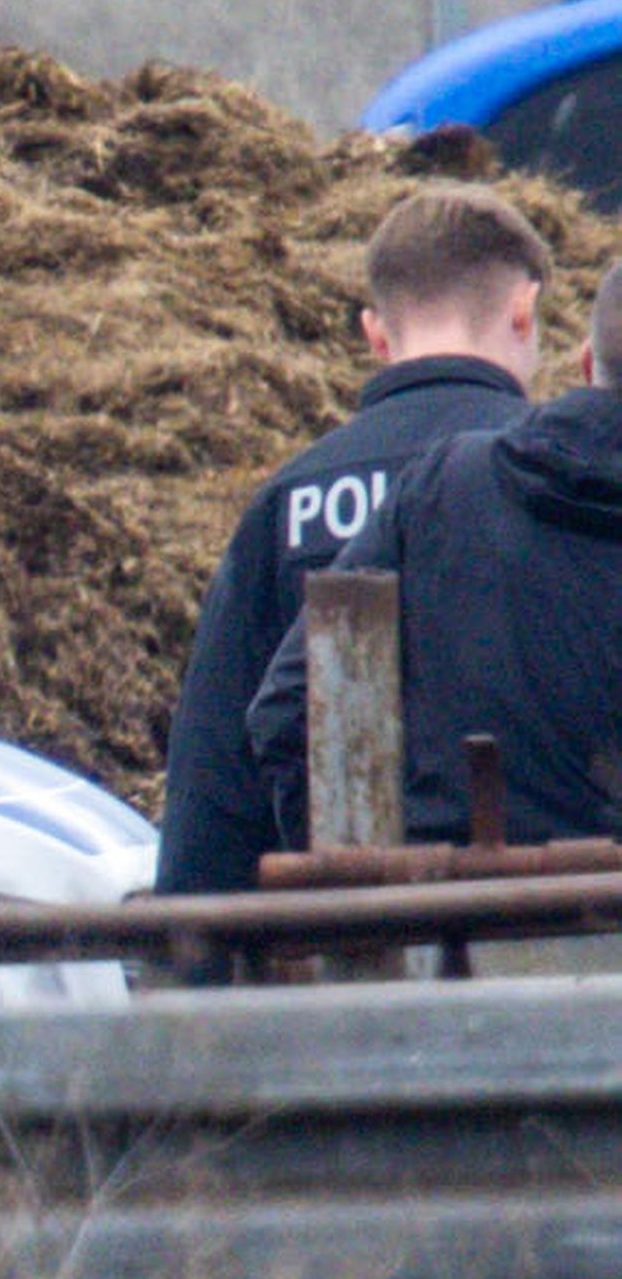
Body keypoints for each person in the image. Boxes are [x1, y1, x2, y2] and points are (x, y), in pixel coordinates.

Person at [156, 181, 550, 891]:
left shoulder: (288, 502)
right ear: (523, 311)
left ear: (375, 334)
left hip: (358, 920)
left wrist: (198, 944)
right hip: (566, 907)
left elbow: (215, 785)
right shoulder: (561, 477)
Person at [244, 256, 622, 855]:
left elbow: (291, 710)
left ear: (585, 363)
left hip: (450, 904)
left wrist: (372, 877)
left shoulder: (446, 486)